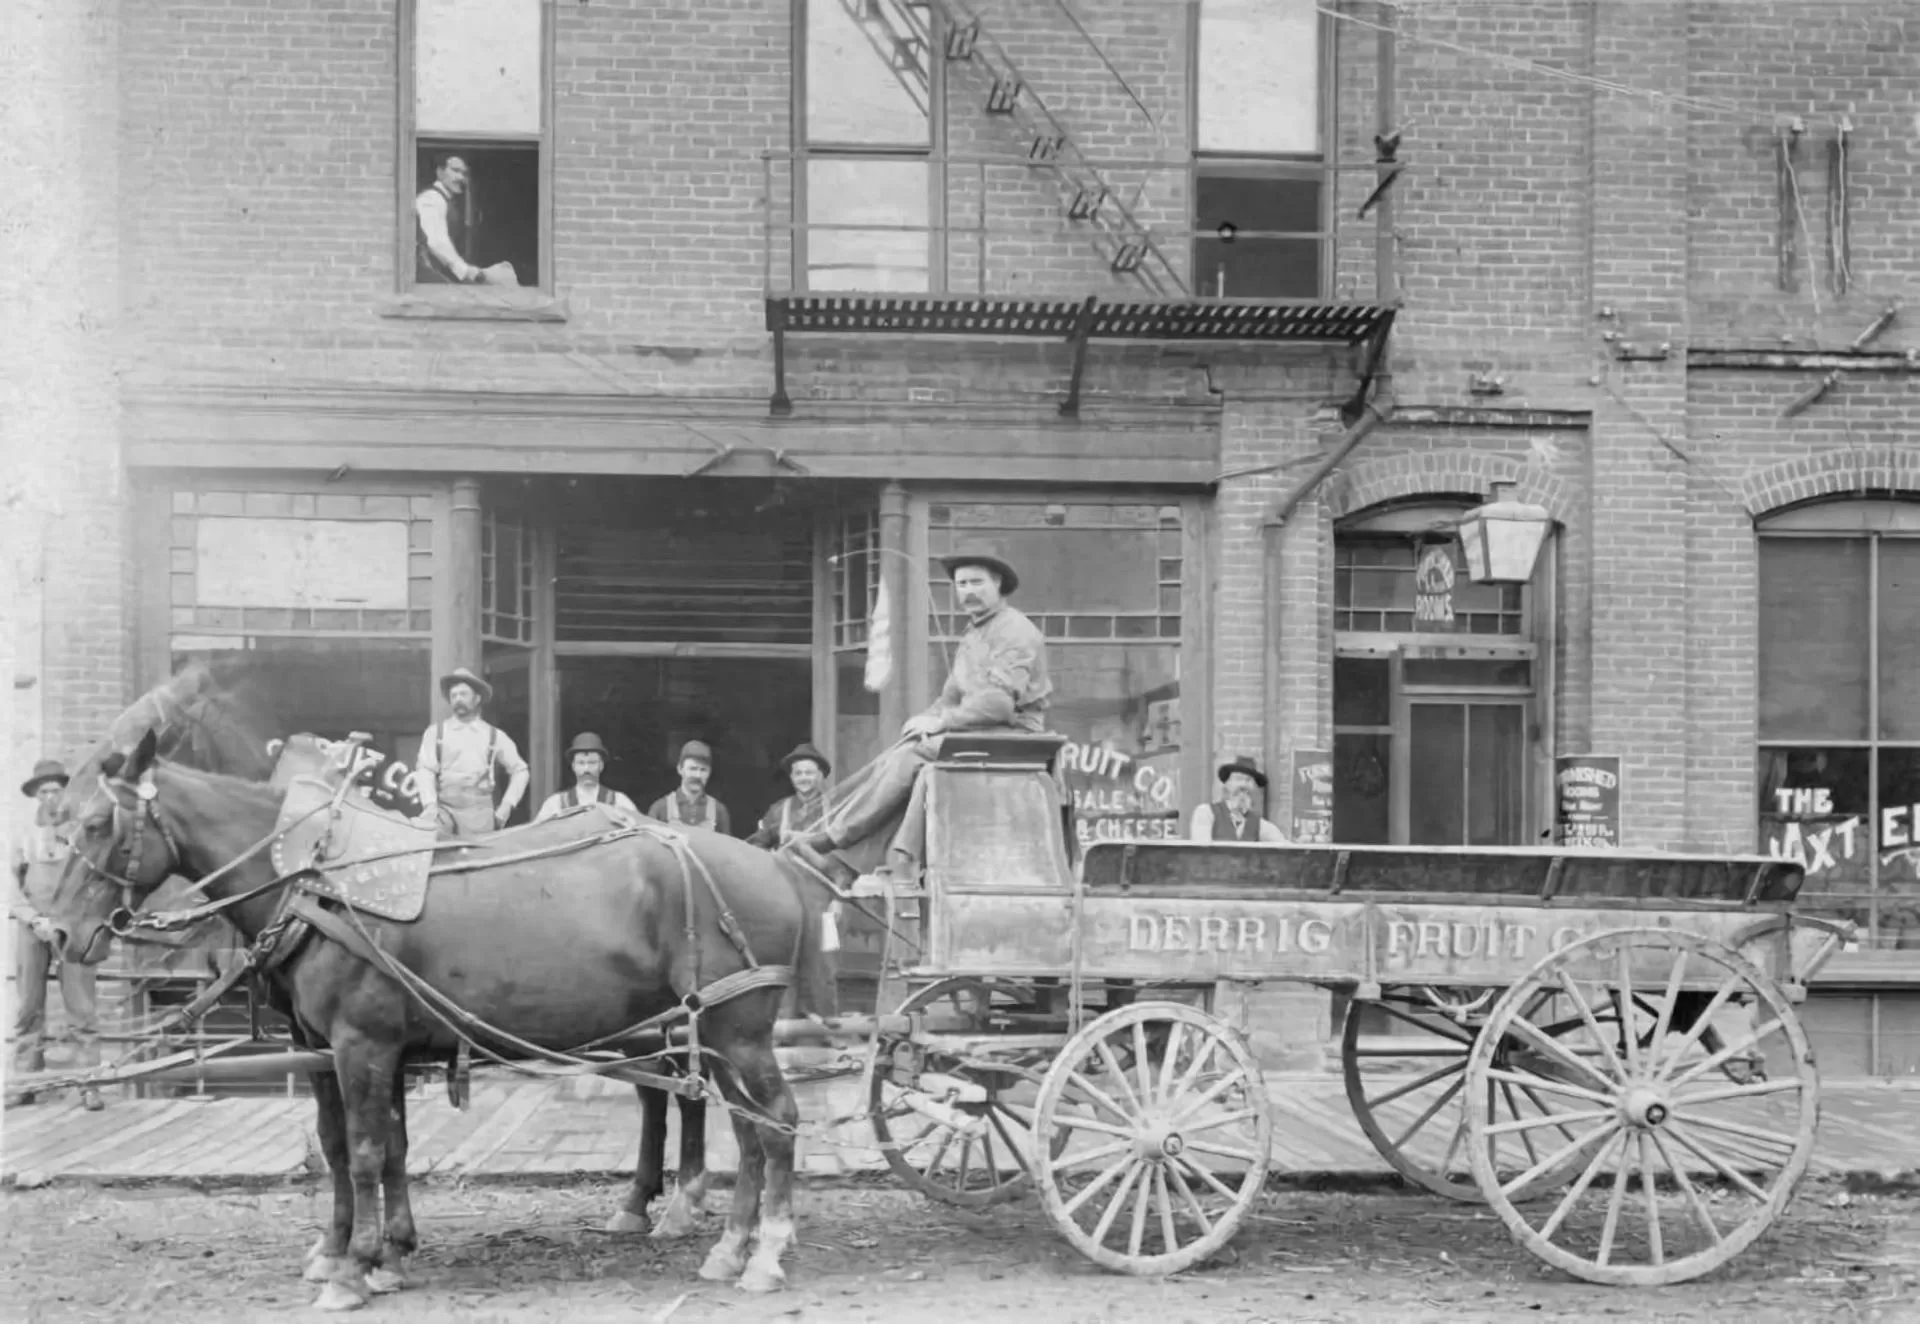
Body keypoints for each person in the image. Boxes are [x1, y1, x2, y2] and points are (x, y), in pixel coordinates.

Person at [792, 548, 1049, 886]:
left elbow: (998, 706)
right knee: (899, 753)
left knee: (912, 757)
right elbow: (950, 698)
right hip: (983, 732)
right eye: (961, 584)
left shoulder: (1014, 630)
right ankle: (845, 860)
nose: (968, 591)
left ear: (997, 583)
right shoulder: (975, 634)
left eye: (976, 582)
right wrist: (922, 720)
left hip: (1015, 736)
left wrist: (940, 723)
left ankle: (837, 840)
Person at [10, 759, 103, 1109]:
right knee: (29, 1009)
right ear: (35, 795)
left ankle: (90, 1084)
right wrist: (34, 920)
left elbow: (95, 882)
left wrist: (73, 921)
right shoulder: (21, 833)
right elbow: (10, 887)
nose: (50, 797)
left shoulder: (82, 831)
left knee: (82, 1011)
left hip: (73, 930)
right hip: (32, 929)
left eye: (56, 790)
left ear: (66, 792)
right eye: (43, 790)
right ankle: (25, 1083)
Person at [414, 667, 530, 836]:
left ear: (476, 699)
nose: (458, 699)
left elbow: (520, 771)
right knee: (434, 849)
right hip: (444, 810)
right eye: (454, 696)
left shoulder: (493, 735)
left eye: (463, 694)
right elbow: (425, 770)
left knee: (477, 857)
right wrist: (430, 804)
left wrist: (506, 806)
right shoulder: (436, 733)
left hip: (479, 814)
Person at [414, 154, 518, 286]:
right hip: (431, 278)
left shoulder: (446, 201)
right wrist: (468, 272)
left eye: (464, 173)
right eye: (455, 171)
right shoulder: (431, 199)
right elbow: (436, 242)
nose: (461, 178)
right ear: (440, 172)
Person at [534, 732, 640, 825]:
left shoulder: (619, 801)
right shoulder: (555, 804)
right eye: (581, 763)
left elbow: (639, 833)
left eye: (592, 763)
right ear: (573, 766)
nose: (587, 769)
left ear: (601, 766)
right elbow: (538, 836)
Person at [746, 743, 831, 849]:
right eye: (798, 773)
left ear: (820, 775)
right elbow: (757, 844)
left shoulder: (834, 807)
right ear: (791, 777)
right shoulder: (777, 810)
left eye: (809, 773)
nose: (803, 778)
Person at [1190, 756, 1287, 843]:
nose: (1243, 785)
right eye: (1238, 779)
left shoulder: (1258, 823)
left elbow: (1285, 847)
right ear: (1227, 784)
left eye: (1248, 780)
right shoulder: (1206, 813)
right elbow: (1201, 851)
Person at [648, 740, 732, 836]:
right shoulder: (660, 808)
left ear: (709, 773)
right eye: (693, 769)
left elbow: (727, 849)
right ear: (680, 769)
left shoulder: (719, 811)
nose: (697, 775)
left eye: (703, 770)